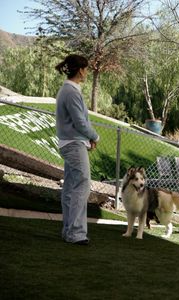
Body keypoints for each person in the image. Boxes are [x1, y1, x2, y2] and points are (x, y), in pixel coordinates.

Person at [55, 54, 99, 246]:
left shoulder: (68, 90)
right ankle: (76, 233)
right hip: (73, 144)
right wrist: (94, 136)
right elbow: (80, 122)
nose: (87, 72)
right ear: (81, 70)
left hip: (70, 143)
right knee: (82, 185)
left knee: (71, 187)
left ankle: (68, 231)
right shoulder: (71, 92)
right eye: (86, 69)